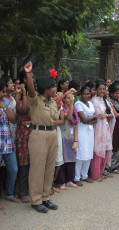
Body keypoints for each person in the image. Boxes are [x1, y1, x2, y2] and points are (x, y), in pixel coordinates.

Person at [24, 61, 58, 213]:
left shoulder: (52, 102)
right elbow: (31, 89)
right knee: (37, 168)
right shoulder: (36, 99)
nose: (55, 89)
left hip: (52, 134)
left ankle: (45, 197)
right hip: (39, 134)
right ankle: (36, 200)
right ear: (46, 89)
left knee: (49, 168)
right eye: (53, 87)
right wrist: (28, 73)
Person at [90, 80, 115, 181]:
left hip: (106, 128)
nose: (102, 91)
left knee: (105, 149)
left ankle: (101, 172)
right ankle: (96, 175)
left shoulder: (106, 101)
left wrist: (106, 115)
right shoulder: (93, 101)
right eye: (100, 89)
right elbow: (92, 114)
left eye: (103, 89)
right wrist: (99, 116)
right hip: (98, 129)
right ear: (96, 90)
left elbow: (112, 114)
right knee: (97, 151)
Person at [0, 78, 20, 203]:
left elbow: (13, 119)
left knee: (13, 170)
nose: (3, 94)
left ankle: (10, 194)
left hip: (7, 142)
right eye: (2, 92)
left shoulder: (5, 102)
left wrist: (5, 107)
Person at [74, 86, 97, 186]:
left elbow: (95, 120)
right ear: (81, 94)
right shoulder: (78, 103)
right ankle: (76, 177)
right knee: (80, 154)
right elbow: (83, 119)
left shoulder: (91, 103)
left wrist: (90, 120)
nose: (86, 96)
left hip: (89, 131)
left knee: (88, 153)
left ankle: (84, 175)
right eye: (84, 94)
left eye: (88, 94)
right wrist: (93, 117)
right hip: (81, 131)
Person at [56, 93, 78, 189]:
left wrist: (76, 141)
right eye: (68, 98)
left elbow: (76, 126)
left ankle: (69, 180)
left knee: (71, 160)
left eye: (71, 97)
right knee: (62, 160)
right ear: (64, 100)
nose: (70, 99)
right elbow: (68, 117)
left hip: (71, 138)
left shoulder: (75, 110)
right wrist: (72, 104)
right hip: (63, 137)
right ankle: (61, 181)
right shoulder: (62, 109)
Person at [16, 83, 32, 203]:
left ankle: (28, 190)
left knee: (31, 165)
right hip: (22, 137)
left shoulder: (34, 102)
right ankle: (21, 193)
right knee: (24, 166)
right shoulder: (19, 102)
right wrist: (23, 93)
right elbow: (24, 109)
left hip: (32, 136)